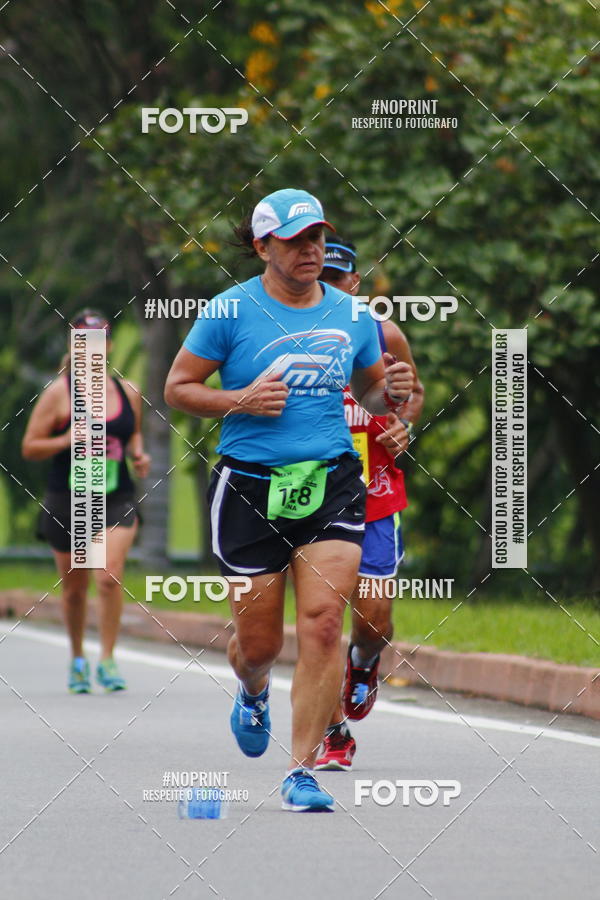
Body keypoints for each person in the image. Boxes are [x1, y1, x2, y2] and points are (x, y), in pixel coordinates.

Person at [164, 188, 415, 812]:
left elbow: (372, 394)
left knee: (325, 622)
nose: (310, 250)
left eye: (317, 238)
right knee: (260, 647)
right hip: (249, 486)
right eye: (295, 240)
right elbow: (178, 387)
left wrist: (393, 395)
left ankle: (302, 771)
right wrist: (238, 400)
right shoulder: (228, 311)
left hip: (332, 480)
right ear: (262, 247)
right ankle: (253, 691)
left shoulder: (352, 314)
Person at [315, 236, 424, 771]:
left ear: (355, 283)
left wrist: (404, 423)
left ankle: (363, 663)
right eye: (321, 280)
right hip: (312, 496)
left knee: (374, 623)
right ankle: (332, 733)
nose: (329, 289)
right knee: (321, 621)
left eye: (338, 280)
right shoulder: (287, 335)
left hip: (375, 496)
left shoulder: (384, 333)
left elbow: (412, 393)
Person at [22, 309, 150, 693]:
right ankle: (78, 657)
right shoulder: (58, 393)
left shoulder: (128, 391)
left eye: (99, 341)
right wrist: (67, 439)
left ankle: (107, 658)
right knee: (75, 589)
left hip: (116, 496)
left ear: (109, 346)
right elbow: (30, 447)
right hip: (69, 499)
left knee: (108, 576)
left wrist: (138, 455)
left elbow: (133, 434)